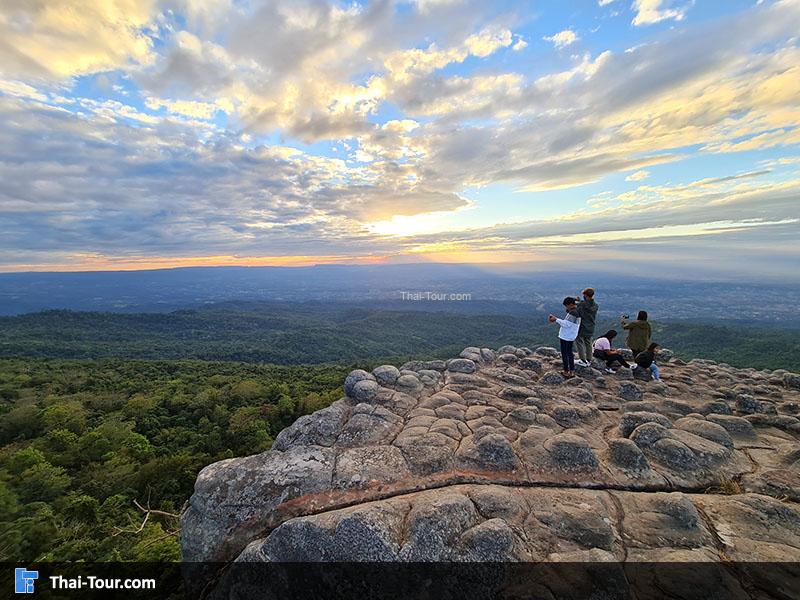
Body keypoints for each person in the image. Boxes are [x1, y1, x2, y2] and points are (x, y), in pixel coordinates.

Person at [549, 297, 581, 378]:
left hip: (566, 336)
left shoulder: (573, 313)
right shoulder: (577, 310)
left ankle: (566, 371)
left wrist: (556, 319)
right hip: (571, 335)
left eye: (566, 306)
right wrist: (575, 299)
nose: (566, 308)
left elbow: (566, 324)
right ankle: (572, 371)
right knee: (569, 353)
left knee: (565, 354)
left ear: (570, 305)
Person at [575, 288, 598, 367]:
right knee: (588, 343)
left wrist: (577, 302)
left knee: (579, 342)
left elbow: (577, 309)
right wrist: (580, 301)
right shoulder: (595, 305)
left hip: (582, 326)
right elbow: (586, 304)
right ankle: (589, 360)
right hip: (591, 326)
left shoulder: (582, 305)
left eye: (583, 295)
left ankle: (582, 360)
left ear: (585, 295)